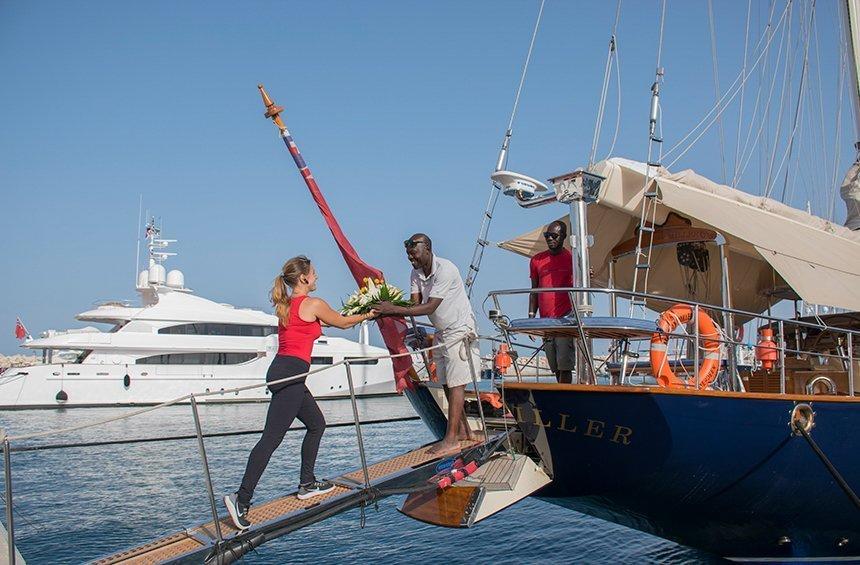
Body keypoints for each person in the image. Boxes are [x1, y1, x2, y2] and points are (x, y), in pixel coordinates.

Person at [224, 255, 377, 530]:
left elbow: (326, 322)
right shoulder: (313, 304)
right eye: (314, 273)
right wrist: (370, 314)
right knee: (270, 440)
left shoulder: (288, 306)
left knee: (317, 424)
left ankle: (307, 483)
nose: (317, 277)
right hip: (291, 375)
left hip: (285, 372)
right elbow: (341, 322)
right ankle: (241, 499)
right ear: (304, 278)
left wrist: (359, 312)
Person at [374, 233, 479, 456]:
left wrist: (390, 309)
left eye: (414, 255)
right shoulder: (416, 272)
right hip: (442, 331)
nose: (411, 260)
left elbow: (429, 307)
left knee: (457, 382)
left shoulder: (445, 269)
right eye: (409, 256)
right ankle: (464, 431)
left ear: (428, 249)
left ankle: (451, 439)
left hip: (459, 328)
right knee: (444, 381)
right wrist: (385, 306)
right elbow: (414, 304)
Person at [529, 220, 576, 384]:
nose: (550, 238)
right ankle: (561, 397)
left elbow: (581, 280)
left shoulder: (572, 258)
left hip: (565, 317)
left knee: (564, 363)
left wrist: (587, 274)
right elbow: (534, 290)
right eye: (547, 235)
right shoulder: (537, 260)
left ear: (563, 236)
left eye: (554, 235)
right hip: (546, 320)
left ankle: (565, 398)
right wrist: (531, 318)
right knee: (554, 364)